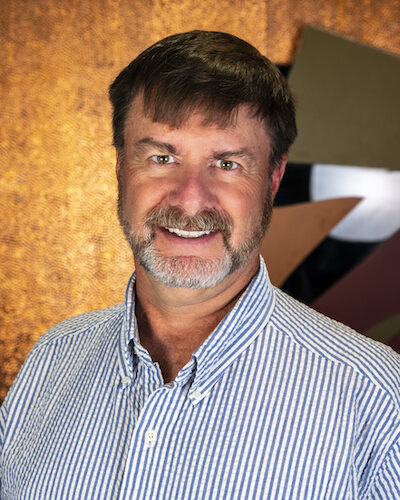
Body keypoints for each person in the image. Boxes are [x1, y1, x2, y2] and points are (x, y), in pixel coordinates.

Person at [0, 30, 399, 499]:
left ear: (273, 178)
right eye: (162, 157)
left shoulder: (376, 399)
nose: (191, 198)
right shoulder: (52, 361)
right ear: (121, 168)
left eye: (227, 164)